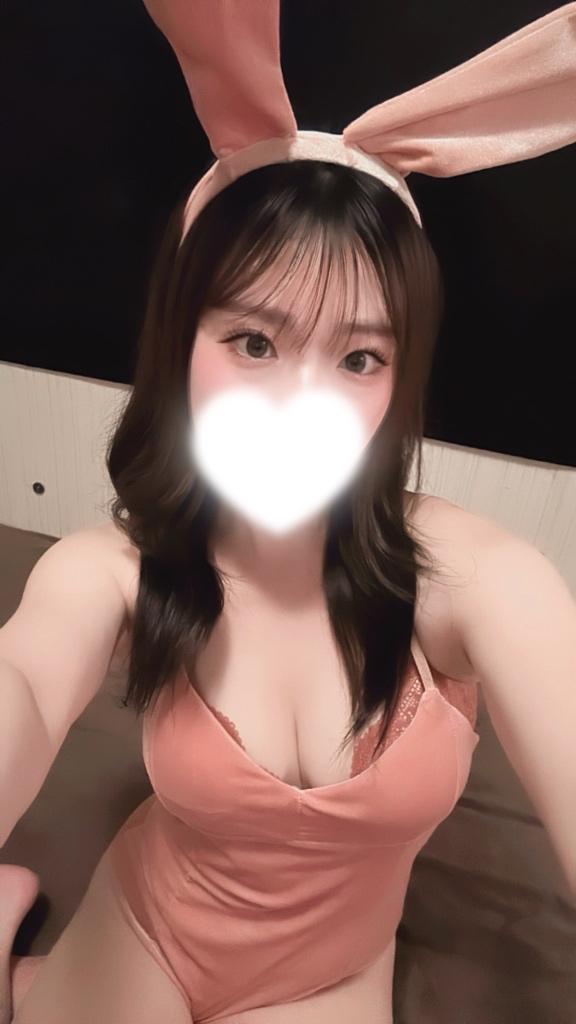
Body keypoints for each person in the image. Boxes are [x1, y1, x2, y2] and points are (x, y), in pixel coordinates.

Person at [2, 2, 575, 1022]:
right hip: (150, 927)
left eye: (358, 358)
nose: (297, 405)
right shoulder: (114, 567)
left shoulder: (473, 578)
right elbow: (29, 686)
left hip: (326, 977)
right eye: (255, 343)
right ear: (182, 343)